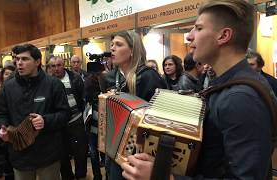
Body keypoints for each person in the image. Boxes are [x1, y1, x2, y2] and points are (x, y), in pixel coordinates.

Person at [121, 0, 274, 179]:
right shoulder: (227, 85)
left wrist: (163, 176)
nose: (189, 37)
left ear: (223, 36)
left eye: (199, 28)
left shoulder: (240, 97)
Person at [0, 44, 71, 180]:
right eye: (18, 59)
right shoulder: (8, 87)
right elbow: (2, 114)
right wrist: (3, 129)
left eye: (25, 59)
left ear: (37, 62)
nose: (19, 63)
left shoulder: (53, 84)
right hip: (20, 154)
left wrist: (45, 120)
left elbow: (65, 114)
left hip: (48, 153)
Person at [103, 30, 166, 180]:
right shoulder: (112, 78)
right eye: (112, 44)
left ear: (132, 50)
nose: (112, 48)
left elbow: (161, 120)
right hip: (115, 149)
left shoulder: (148, 76)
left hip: (140, 154)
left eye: (118, 45)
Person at [48, 56, 88, 180]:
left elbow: (83, 98)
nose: (56, 68)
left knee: (80, 152)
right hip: (59, 124)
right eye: (53, 66)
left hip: (76, 120)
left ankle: (81, 176)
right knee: (62, 154)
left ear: (64, 64)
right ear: (50, 67)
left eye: (59, 65)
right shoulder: (47, 82)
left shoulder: (75, 78)